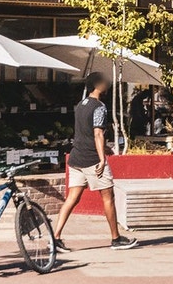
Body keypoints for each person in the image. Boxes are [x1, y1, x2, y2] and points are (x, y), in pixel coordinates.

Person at [53, 72, 137, 251]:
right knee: (108, 197)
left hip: (76, 158)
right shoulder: (99, 107)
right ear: (98, 85)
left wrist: (104, 148)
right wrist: (102, 158)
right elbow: (97, 133)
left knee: (72, 198)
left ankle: (55, 237)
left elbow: (84, 133)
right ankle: (116, 238)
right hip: (92, 159)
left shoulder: (80, 105)